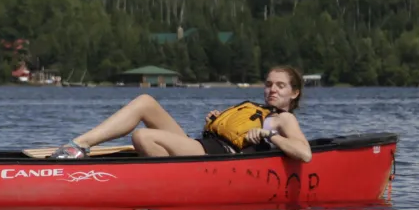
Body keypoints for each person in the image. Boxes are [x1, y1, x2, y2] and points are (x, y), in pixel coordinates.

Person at [49, 66, 312, 162]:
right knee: (145, 101)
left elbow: (305, 154)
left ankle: (160, 182)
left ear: (294, 93)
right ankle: (78, 145)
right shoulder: (258, 110)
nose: (272, 90)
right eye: (268, 84)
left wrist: (270, 136)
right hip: (203, 148)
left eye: (280, 86)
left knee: (143, 136)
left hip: (215, 158)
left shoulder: (284, 119)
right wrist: (215, 123)